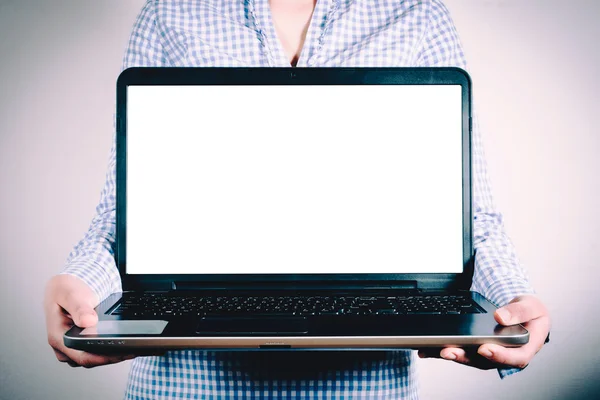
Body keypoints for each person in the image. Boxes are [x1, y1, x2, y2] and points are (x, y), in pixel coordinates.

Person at [44, 0, 551, 398]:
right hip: (188, 387)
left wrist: (510, 300)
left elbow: (470, 217)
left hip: (364, 391)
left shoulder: (416, 14)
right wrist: (78, 282)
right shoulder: (170, 13)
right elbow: (123, 217)